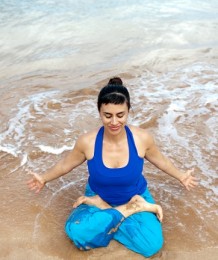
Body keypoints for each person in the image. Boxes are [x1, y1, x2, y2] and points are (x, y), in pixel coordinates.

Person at [27, 77, 198, 258]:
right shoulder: (88, 142)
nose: (114, 122)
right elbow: (65, 164)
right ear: (100, 112)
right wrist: (44, 178)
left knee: (152, 246)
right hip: (98, 197)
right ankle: (130, 210)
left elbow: (161, 160)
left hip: (135, 196)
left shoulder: (141, 139)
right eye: (107, 115)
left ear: (128, 111)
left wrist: (181, 176)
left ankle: (111, 216)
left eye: (120, 115)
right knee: (75, 232)